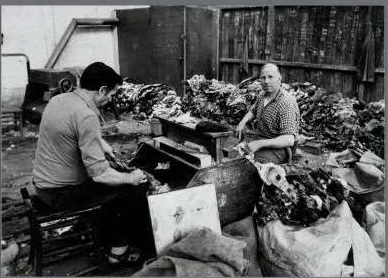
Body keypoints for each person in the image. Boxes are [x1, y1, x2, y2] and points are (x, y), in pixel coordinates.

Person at [32, 62, 151, 264]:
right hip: (60, 194)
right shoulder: (87, 115)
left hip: (42, 183)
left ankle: (105, 230)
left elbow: (69, 131)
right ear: (102, 90)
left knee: (115, 181)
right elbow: (100, 175)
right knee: (134, 189)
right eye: (112, 94)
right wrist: (131, 177)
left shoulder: (59, 100)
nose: (110, 99)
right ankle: (118, 251)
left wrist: (101, 144)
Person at [235, 63, 300, 164]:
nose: (266, 81)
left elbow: (289, 139)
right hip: (262, 138)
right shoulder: (263, 95)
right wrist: (242, 122)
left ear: (279, 78)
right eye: (263, 78)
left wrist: (259, 144)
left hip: (281, 148)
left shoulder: (286, 102)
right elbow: (253, 110)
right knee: (239, 154)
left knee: (251, 165)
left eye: (270, 77)